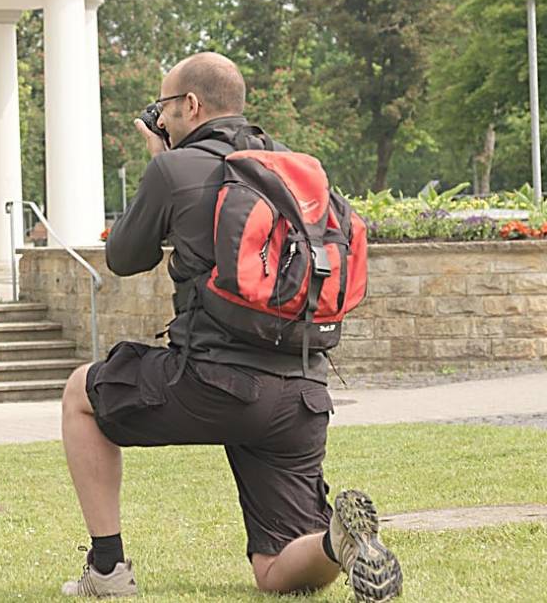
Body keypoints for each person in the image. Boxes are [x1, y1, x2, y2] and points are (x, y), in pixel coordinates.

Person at [58, 53, 403, 601]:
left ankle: (107, 572)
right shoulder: (290, 167)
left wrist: (159, 162)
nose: (161, 120)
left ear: (190, 105)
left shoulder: (175, 168)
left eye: (164, 108)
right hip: (304, 393)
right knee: (273, 571)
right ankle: (340, 544)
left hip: (213, 383)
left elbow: (123, 257)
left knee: (80, 393)